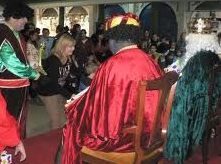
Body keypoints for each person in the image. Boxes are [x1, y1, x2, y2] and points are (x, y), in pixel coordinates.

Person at [61, 13, 162, 164]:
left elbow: (101, 111)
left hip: (125, 139)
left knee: (71, 128)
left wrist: (75, 104)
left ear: (114, 38)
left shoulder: (113, 64)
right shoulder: (150, 60)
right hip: (151, 133)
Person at [164, 18, 221, 164]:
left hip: (198, 109)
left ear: (194, 41)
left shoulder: (196, 62)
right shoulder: (214, 58)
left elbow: (184, 96)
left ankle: (174, 147)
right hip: (212, 107)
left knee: (167, 102)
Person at [0, 0, 41, 139]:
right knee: (7, 121)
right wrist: (35, 75)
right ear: (12, 17)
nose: (26, 20)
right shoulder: (2, 34)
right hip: (5, 89)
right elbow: (12, 63)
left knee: (16, 119)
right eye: (23, 17)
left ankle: (15, 145)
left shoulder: (15, 33)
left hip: (15, 86)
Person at [37, 33, 76, 130]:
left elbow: (72, 74)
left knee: (63, 117)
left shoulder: (68, 58)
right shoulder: (53, 61)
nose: (73, 48)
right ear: (62, 47)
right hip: (48, 91)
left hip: (58, 89)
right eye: (70, 46)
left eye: (73, 46)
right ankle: (55, 141)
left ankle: (62, 137)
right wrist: (69, 95)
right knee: (56, 120)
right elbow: (53, 83)